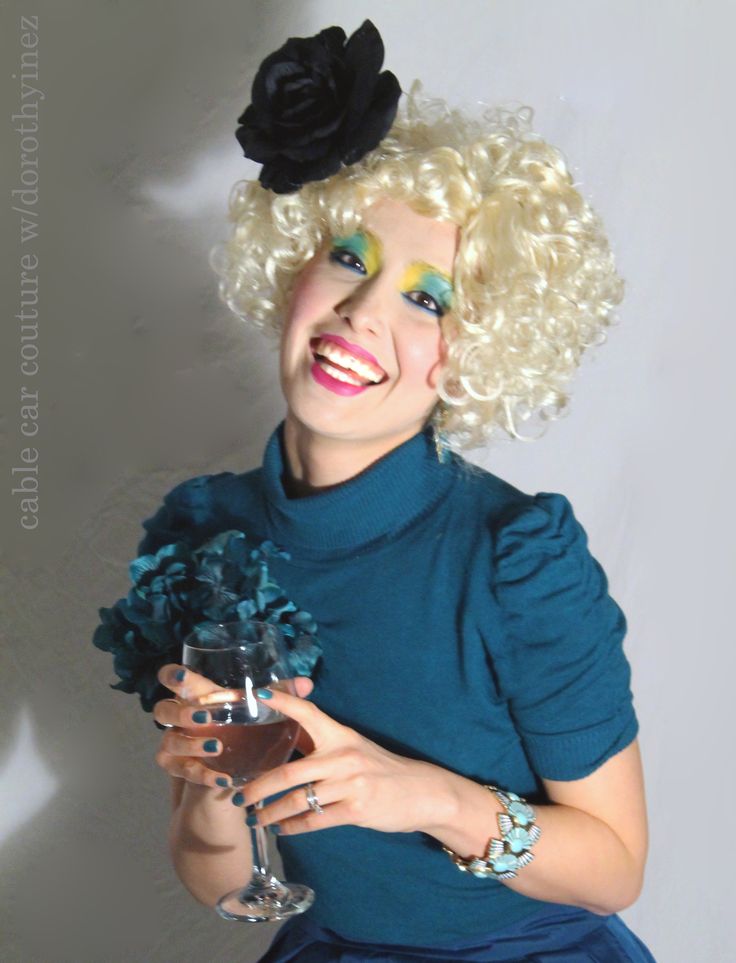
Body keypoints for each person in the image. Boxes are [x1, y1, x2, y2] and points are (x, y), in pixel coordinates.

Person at [140, 20, 656, 962]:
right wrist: (216, 793)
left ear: (479, 350)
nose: (362, 313)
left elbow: (615, 864)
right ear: (291, 263)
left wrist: (423, 795)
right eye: (349, 256)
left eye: (429, 298)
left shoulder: (516, 560)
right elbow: (220, 879)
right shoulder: (203, 533)